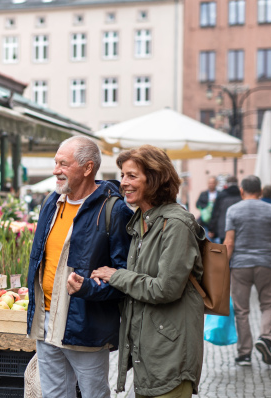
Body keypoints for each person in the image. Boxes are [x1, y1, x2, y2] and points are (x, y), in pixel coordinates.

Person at [87, 145, 204, 397]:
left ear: (154, 179)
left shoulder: (175, 224)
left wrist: (115, 275)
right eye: (123, 176)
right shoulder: (143, 220)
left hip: (169, 353)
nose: (123, 183)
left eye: (132, 176)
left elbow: (166, 289)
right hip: (149, 350)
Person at [26, 136, 133, 398]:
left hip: (86, 324)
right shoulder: (52, 202)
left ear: (87, 168)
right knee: (53, 395)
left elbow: (125, 276)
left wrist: (88, 289)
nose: (55, 170)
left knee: (94, 394)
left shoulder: (114, 210)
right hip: (46, 320)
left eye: (63, 163)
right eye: (55, 163)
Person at [224, 175, 271, 366]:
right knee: (269, 305)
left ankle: (245, 353)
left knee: (241, 310)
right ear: (261, 191)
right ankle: (266, 338)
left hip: (240, 265)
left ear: (241, 191)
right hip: (266, 264)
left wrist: (221, 269)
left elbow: (229, 243)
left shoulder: (233, 210)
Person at [209, 176, 241, 243]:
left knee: (224, 251)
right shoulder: (241, 195)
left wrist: (212, 229)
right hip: (239, 231)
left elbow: (215, 213)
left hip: (223, 230)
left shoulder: (222, 195)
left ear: (227, 184)